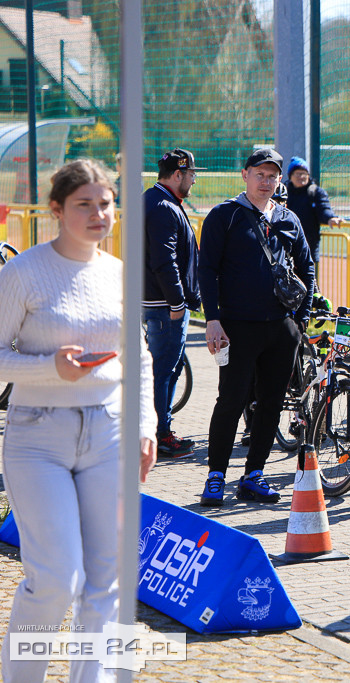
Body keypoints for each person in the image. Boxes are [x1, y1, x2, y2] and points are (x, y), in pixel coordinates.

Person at [0, 159, 157, 682]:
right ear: (56, 211)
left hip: (109, 433)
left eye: (106, 204)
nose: (98, 214)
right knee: (55, 579)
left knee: (106, 579)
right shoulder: (22, 272)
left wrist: (145, 424)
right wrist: (50, 367)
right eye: (84, 205)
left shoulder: (117, 273)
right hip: (38, 437)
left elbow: (138, 356)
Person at [197, 148, 315, 507]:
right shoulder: (224, 216)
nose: (266, 181)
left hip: (280, 328)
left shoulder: (288, 218)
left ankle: (254, 475)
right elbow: (207, 270)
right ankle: (216, 475)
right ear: (245, 175)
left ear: (280, 179)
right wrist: (213, 319)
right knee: (231, 400)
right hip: (236, 327)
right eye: (259, 174)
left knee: (271, 404)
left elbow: (307, 267)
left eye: (272, 175)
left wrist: (301, 320)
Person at [143, 148, 203, 458]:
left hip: (156, 301)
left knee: (164, 368)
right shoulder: (164, 206)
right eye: (191, 174)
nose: (193, 180)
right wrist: (178, 302)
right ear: (178, 174)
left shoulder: (153, 200)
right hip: (164, 305)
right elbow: (164, 261)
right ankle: (161, 434)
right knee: (163, 370)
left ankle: (157, 429)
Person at [284, 156, 342, 278]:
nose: (301, 177)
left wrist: (330, 218)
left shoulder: (316, 192)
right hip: (285, 247)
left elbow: (324, 209)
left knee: (309, 282)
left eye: (304, 174)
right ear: (290, 176)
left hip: (309, 246)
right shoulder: (283, 192)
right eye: (298, 174)